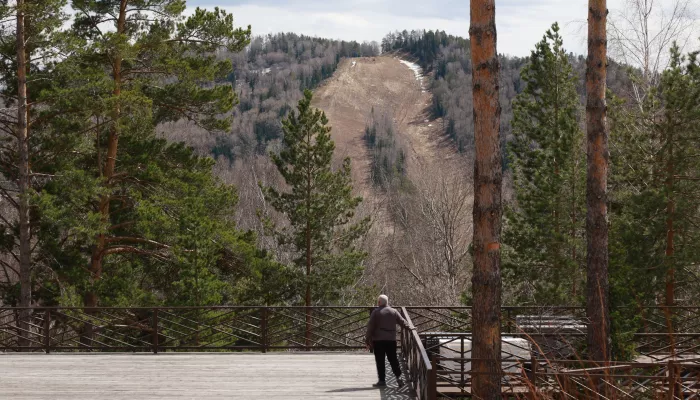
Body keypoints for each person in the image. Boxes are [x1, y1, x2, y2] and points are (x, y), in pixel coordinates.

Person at [365, 294, 408, 388]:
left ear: (379, 302)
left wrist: (367, 339)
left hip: (378, 340)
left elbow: (370, 326)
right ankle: (399, 377)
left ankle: (382, 381)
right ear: (387, 302)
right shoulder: (394, 311)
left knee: (380, 360)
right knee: (393, 359)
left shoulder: (376, 312)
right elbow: (403, 322)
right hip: (391, 340)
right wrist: (411, 327)